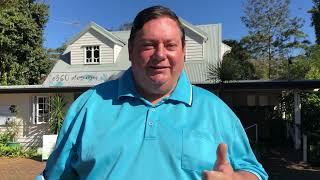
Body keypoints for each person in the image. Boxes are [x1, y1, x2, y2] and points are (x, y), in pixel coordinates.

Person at [38, 5, 268, 180]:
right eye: (148, 45)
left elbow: (252, 169)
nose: (160, 55)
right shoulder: (89, 106)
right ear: (130, 51)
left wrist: (239, 178)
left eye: (170, 45)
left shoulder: (215, 110)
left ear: (184, 52)